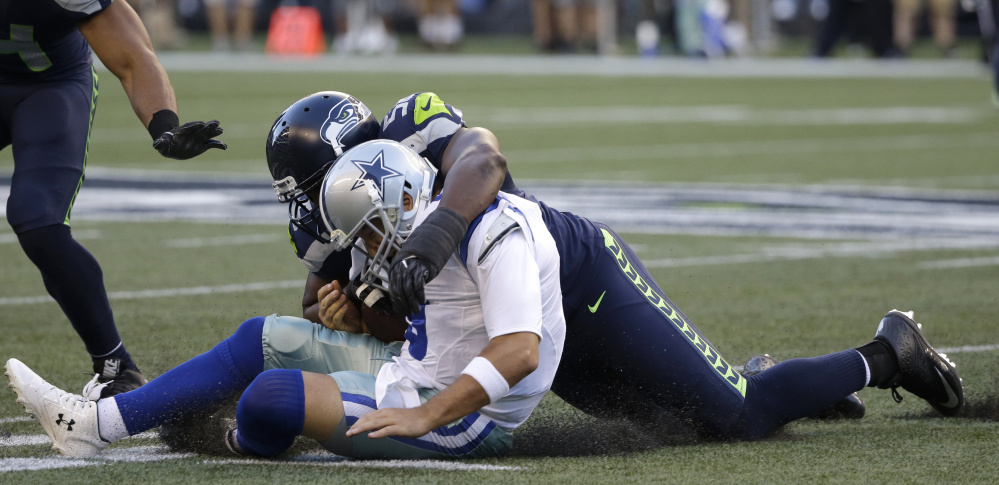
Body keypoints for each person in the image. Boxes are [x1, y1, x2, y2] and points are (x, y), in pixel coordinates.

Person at [266, 92, 963, 440]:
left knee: (740, 414)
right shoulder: (339, 217)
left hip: (572, 280)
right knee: (677, 427)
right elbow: (390, 319)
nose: (314, 211)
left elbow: (484, 159)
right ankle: (781, 384)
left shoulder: (409, 128)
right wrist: (354, 314)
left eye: (314, 186)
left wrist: (435, 234)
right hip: (518, 332)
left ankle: (888, 349)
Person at [6, 139, 566, 459]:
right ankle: (94, 424)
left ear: (401, 203)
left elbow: (519, 351)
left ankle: (234, 442)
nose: (368, 249)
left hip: (467, 412)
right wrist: (364, 325)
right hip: (420, 367)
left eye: (370, 232)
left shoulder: (497, 232)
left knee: (269, 398)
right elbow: (442, 327)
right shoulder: (429, 219)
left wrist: (426, 414)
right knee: (259, 339)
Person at [1, 0, 227, 398]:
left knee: (37, 219)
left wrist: (164, 125)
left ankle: (115, 364)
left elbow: (131, 58)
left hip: (48, 88)